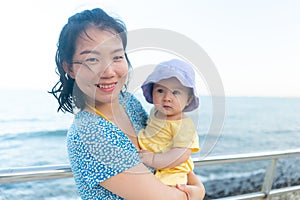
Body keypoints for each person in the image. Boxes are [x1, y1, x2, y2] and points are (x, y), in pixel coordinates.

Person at [50, 8, 205, 200]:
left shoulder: (128, 103)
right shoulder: (89, 133)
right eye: (92, 59)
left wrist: (194, 183)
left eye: (117, 57)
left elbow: (166, 144)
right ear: (70, 69)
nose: (108, 71)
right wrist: (196, 193)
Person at [138, 59, 200, 186]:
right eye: (160, 91)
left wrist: (154, 160)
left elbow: (180, 154)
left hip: (172, 171)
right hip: (151, 162)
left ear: (188, 99)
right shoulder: (154, 111)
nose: (167, 98)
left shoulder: (183, 125)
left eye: (176, 92)